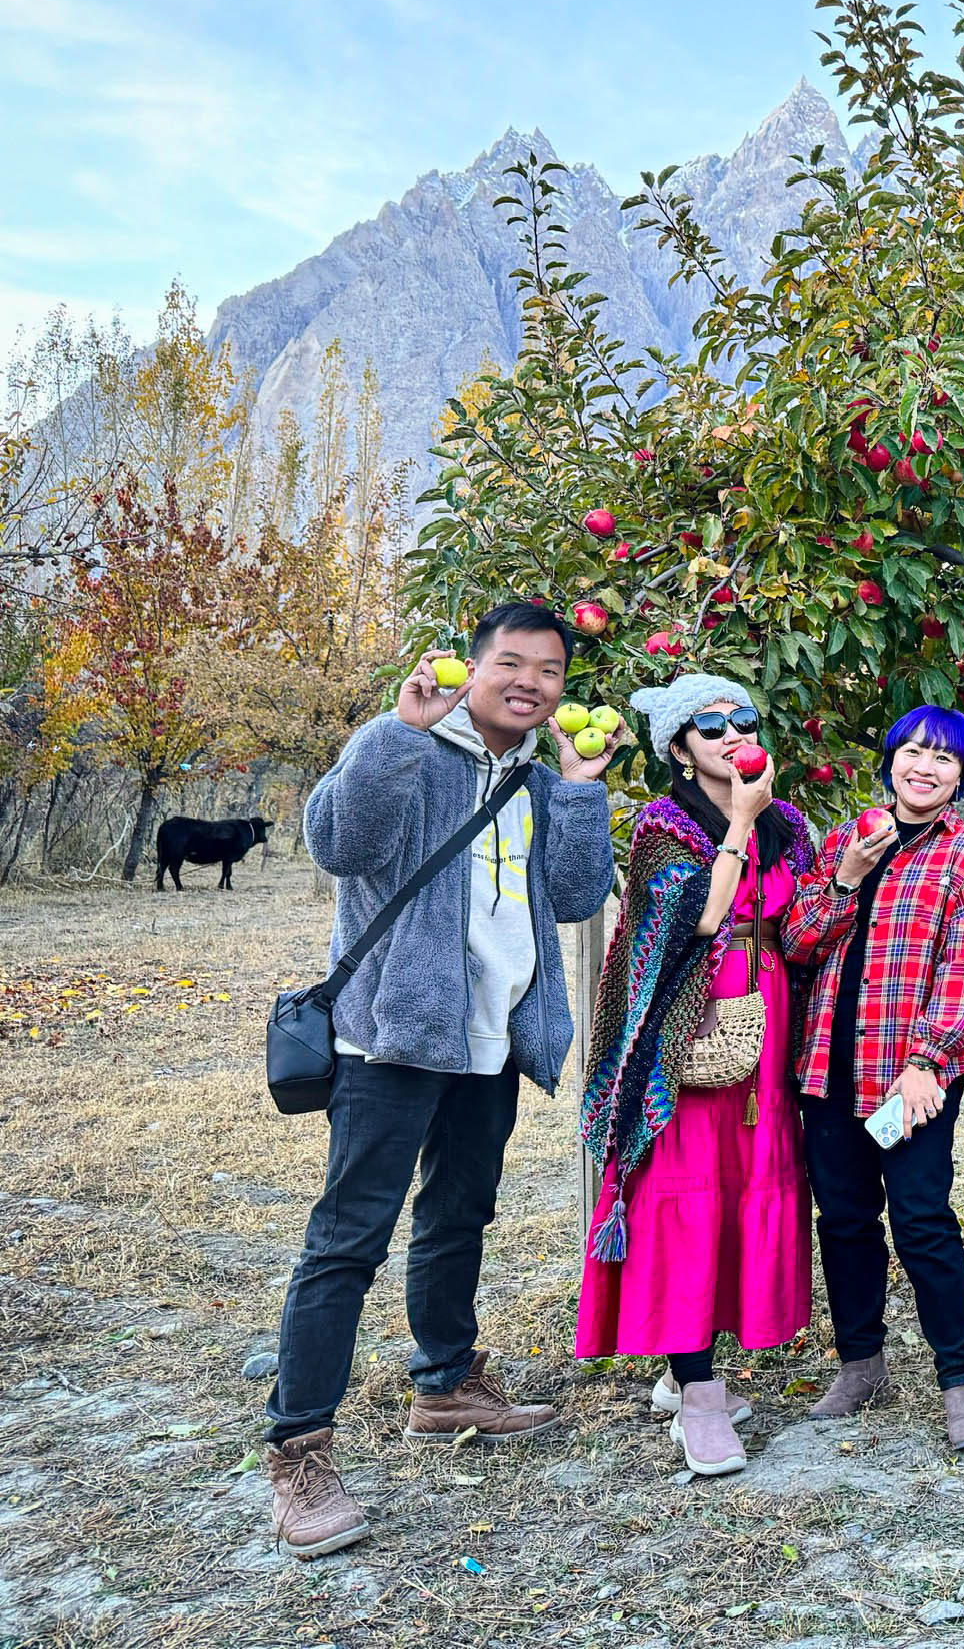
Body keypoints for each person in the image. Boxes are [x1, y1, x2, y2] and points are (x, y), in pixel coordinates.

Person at [265, 604, 621, 1559]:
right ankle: (298, 1450)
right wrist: (396, 732)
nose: (530, 683)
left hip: (490, 1040)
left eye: (549, 671)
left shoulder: (541, 780)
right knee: (349, 1239)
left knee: (459, 1215)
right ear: (472, 668)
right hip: (392, 1039)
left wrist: (581, 792)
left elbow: (577, 896)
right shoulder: (405, 748)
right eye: (511, 663)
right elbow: (339, 846)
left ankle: (447, 1383)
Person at [574, 675, 818, 1477]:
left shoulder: (789, 824)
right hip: (693, 1024)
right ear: (679, 748)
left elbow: (802, 921)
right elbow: (702, 919)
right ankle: (698, 1393)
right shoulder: (663, 826)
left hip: (769, 1025)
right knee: (688, 1190)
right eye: (707, 727)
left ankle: (690, 1371)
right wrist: (740, 822)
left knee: (742, 1186)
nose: (730, 733)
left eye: (741, 717)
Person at [780, 705, 964, 1451]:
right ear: (891, 759)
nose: (924, 767)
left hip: (911, 1074)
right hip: (828, 1066)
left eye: (944, 758)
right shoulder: (847, 839)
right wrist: (845, 878)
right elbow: (798, 942)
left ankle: (961, 1377)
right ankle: (861, 1364)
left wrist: (927, 1060)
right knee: (843, 1220)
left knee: (921, 1220)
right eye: (913, 751)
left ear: (961, 777)